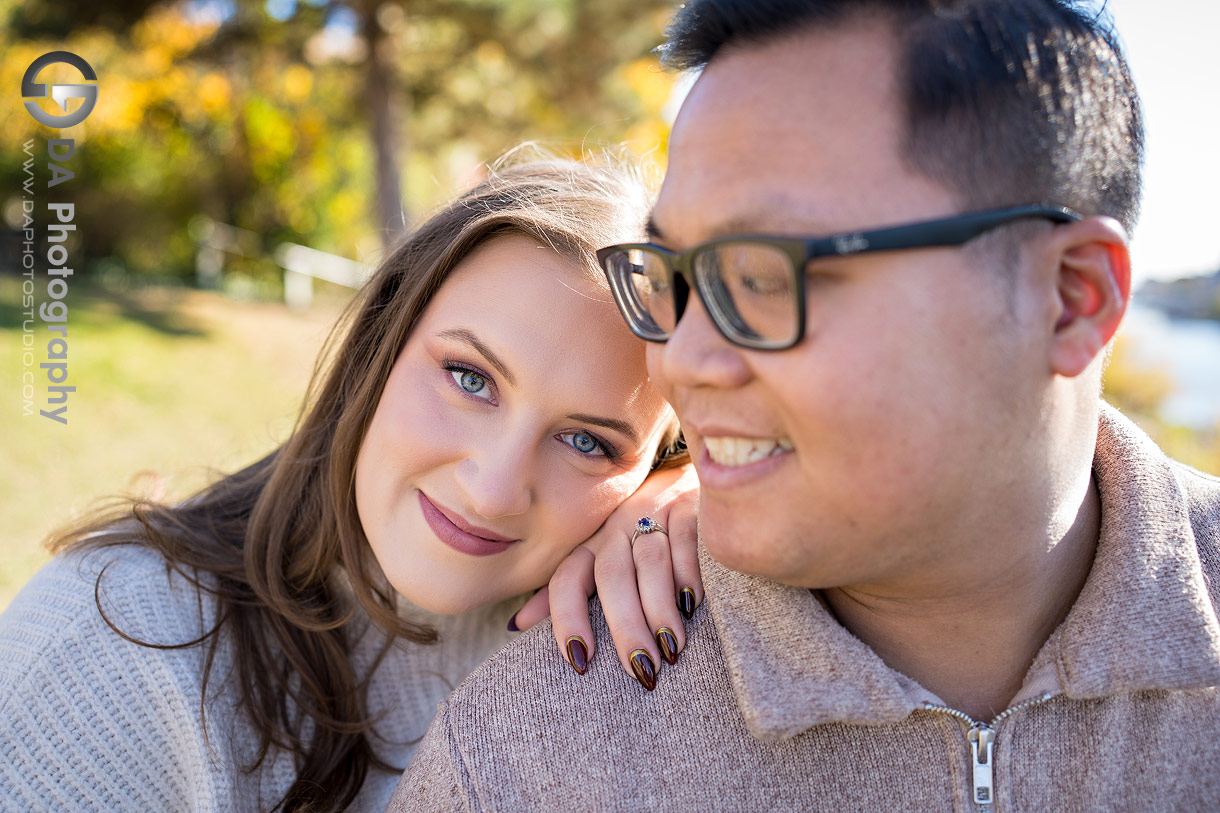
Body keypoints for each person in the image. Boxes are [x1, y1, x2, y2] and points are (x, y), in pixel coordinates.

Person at [389, 1, 1220, 809]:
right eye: (674, 280)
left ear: (1069, 298)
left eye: (758, 275)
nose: (681, 360)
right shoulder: (525, 763)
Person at [0, 155, 704, 812]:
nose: (493, 490)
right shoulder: (107, 645)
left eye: (588, 441)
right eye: (469, 377)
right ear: (380, 342)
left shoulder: (636, 621)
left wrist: (687, 495)